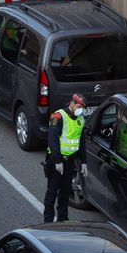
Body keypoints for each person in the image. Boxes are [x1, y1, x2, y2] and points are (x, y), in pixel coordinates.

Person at [42, 93, 87, 223]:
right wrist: (57, 161)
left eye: (82, 108)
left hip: (69, 162)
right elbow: (52, 139)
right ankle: (48, 222)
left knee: (65, 193)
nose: (80, 110)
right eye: (79, 106)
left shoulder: (81, 119)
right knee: (52, 193)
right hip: (55, 161)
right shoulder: (57, 116)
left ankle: (62, 220)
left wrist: (84, 162)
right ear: (72, 103)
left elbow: (81, 141)